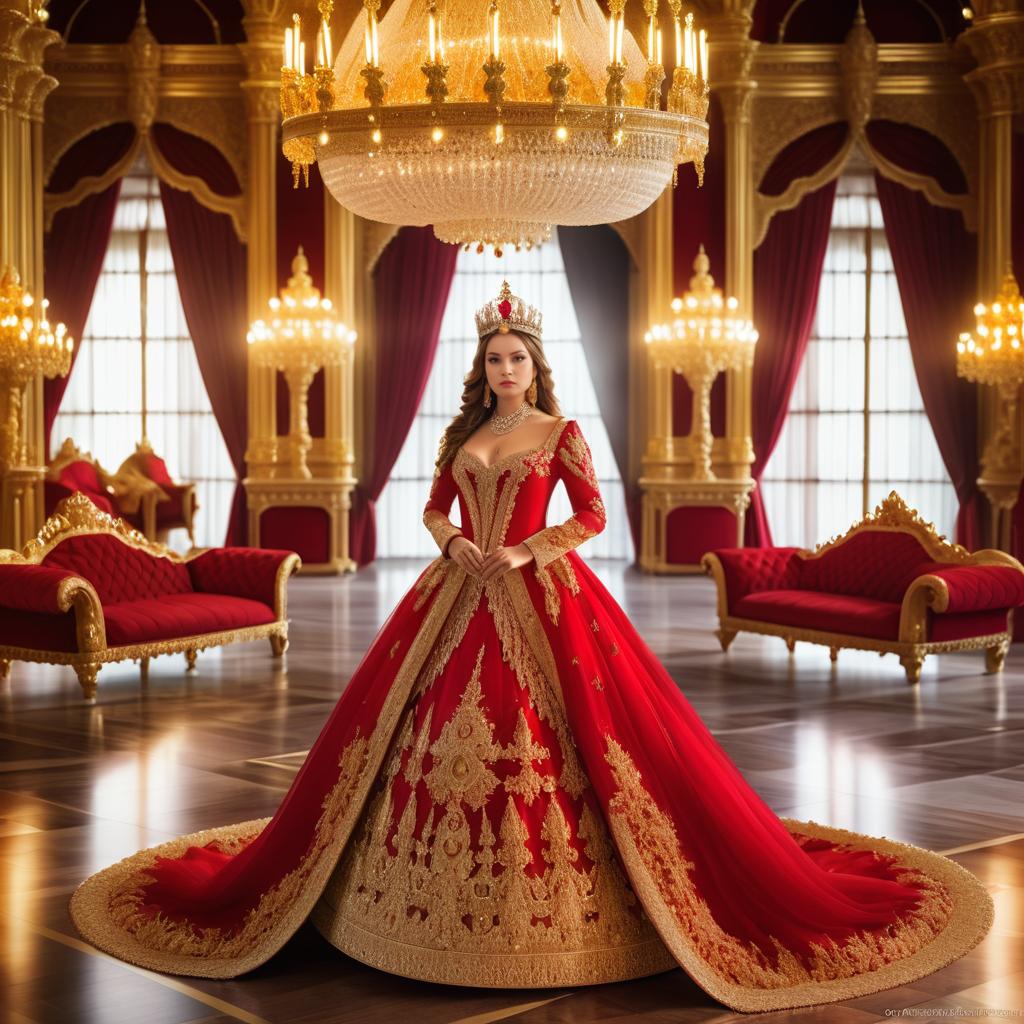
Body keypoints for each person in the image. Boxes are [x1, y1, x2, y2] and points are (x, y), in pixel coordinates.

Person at [71, 281, 991, 1012]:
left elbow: (593, 515)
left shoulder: (562, 432)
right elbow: (433, 504)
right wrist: (451, 540)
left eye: (515, 356)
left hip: (540, 591)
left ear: (534, 364)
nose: (504, 367)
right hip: (455, 587)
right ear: (482, 368)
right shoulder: (466, 431)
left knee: (592, 737)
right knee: (397, 736)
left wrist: (522, 548)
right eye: (493, 357)